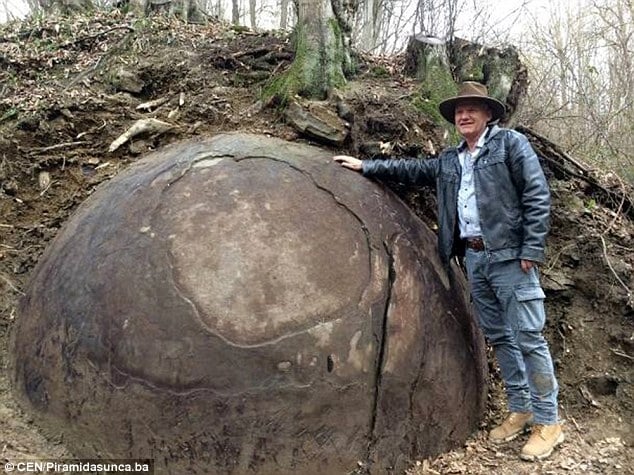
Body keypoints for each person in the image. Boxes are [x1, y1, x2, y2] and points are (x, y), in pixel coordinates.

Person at [333, 81, 563, 461]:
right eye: (459, 110)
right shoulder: (451, 160)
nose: (464, 115)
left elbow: (537, 195)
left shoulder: (510, 146)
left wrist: (531, 248)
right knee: (501, 337)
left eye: (472, 108)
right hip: (473, 259)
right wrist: (366, 166)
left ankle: (548, 421)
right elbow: (412, 169)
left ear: (488, 114)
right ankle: (521, 408)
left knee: (528, 336)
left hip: (509, 258)